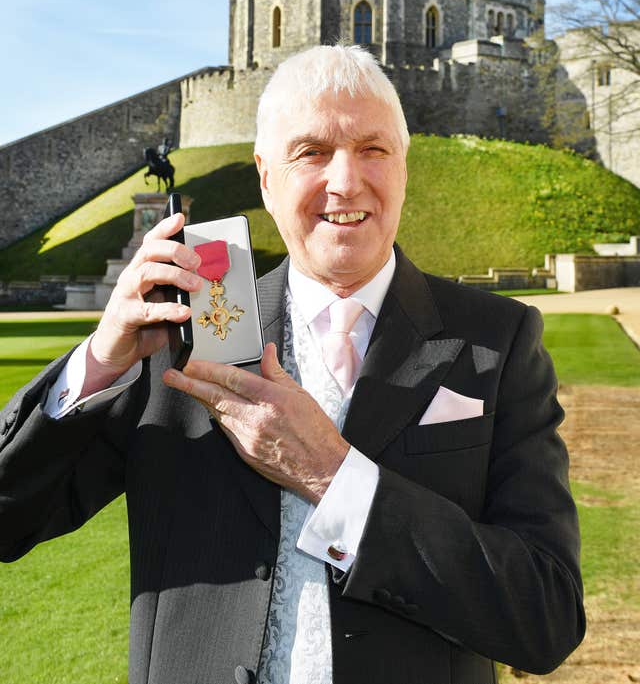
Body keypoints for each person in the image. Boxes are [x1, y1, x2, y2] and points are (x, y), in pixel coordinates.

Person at [0, 45, 584, 684]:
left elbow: (546, 616)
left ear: (404, 167)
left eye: (372, 149)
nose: (344, 181)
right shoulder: (183, 330)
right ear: (264, 177)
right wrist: (101, 361)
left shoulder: (495, 341)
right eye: (310, 152)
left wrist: (335, 479)